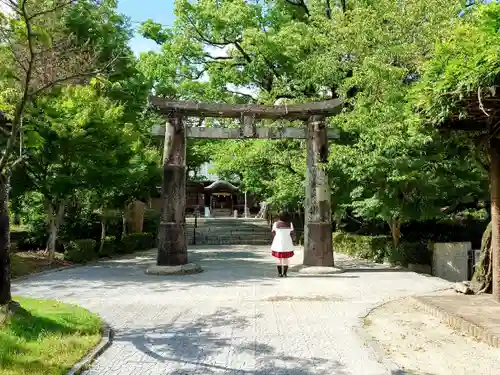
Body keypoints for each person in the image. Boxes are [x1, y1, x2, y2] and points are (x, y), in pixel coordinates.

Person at [271, 212, 294, 277]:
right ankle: (285, 273)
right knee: (286, 259)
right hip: (287, 243)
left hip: (278, 243)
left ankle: (279, 273)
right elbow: (292, 233)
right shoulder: (290, 224)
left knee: (279, 259)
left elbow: (273, 233)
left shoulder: (276, 224)